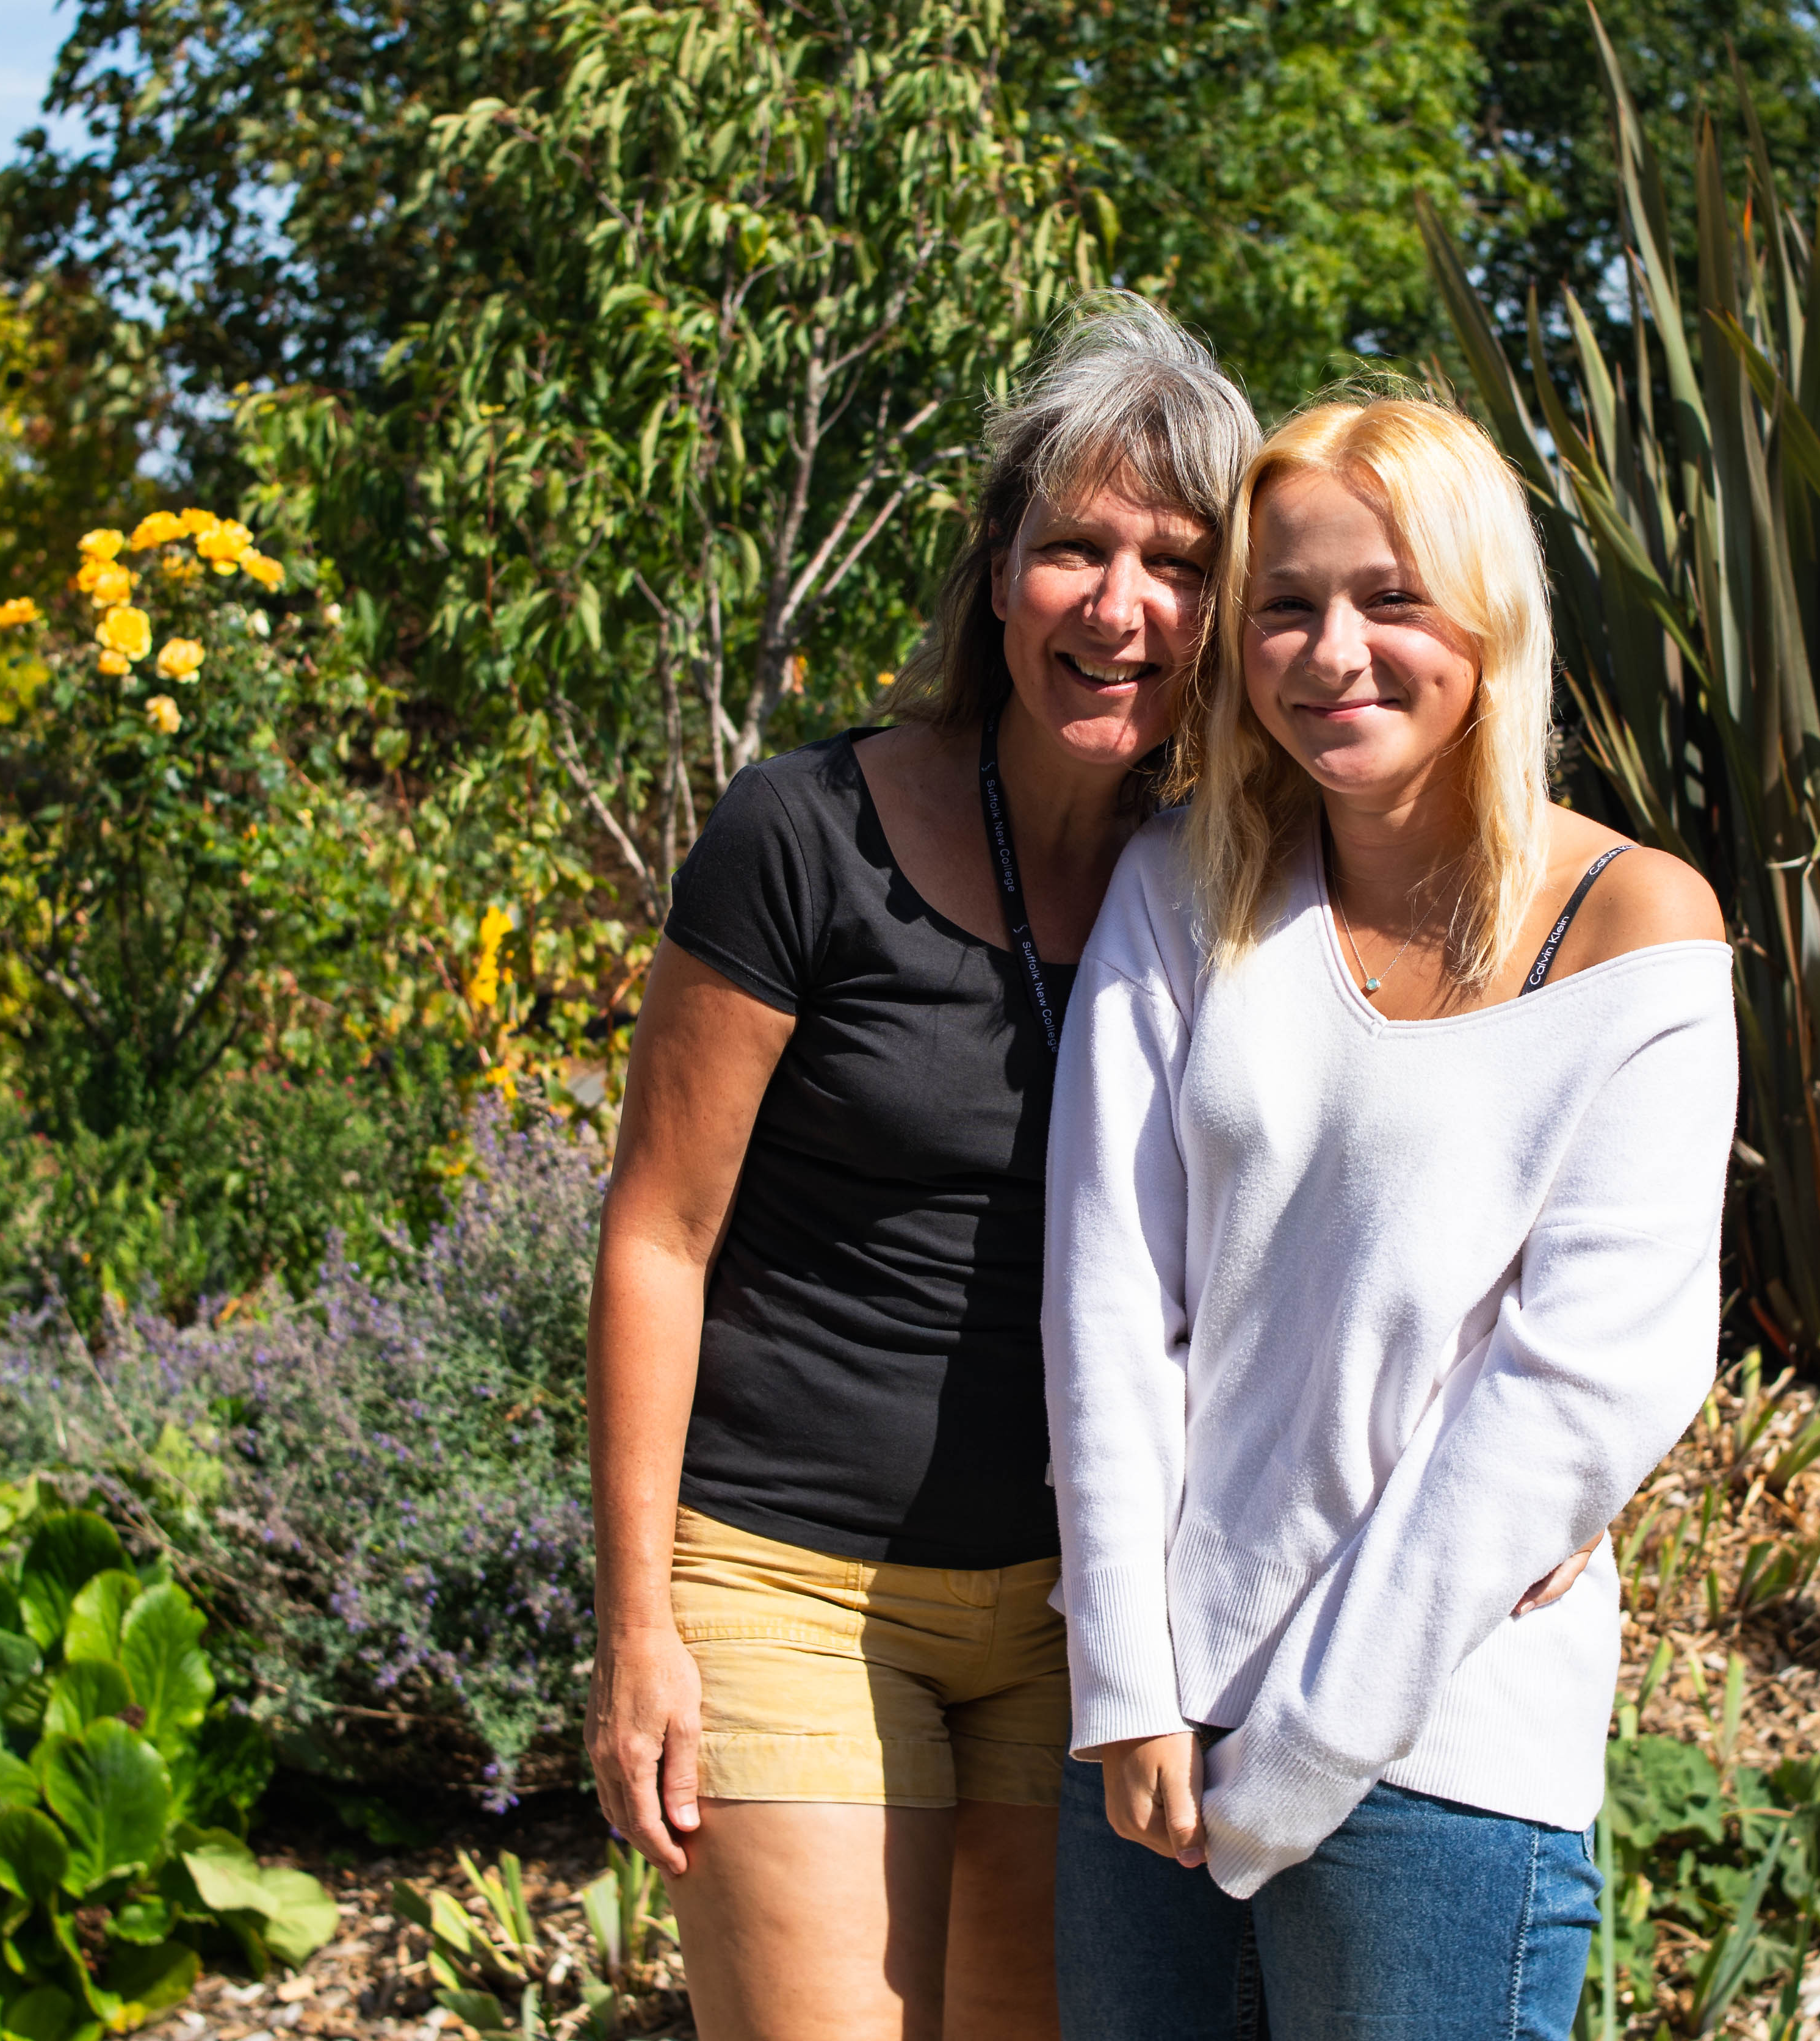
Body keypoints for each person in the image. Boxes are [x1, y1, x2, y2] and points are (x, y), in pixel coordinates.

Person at [580, 295, 1259, 2039]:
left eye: (1178, 563)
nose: (1121, 610)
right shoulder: (805, 837)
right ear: (997, 570)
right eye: (1076, 550)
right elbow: (658, 1234)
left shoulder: (1232, 890)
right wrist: (640, 1625)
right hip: (790, 1579)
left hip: (1082, 1616)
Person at [1044, 395, 1739, 2037]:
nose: (1330, 651)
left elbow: (1582, 1390)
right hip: (1156, 1753)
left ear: (1488, 616)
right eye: (1285, 606)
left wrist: (1296, 1760)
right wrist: (1132, 1688)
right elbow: (1105, 1301)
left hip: (1440, 1761)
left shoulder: (1633, 928)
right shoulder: (1186, 891)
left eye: (1391, 598)